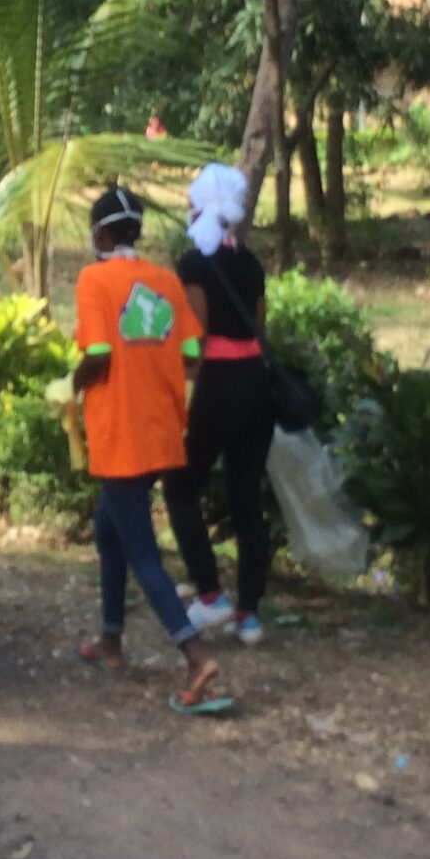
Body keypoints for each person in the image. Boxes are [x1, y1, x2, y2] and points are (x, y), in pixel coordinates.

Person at [65, 187, 229, 712]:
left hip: (120, 433)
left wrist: (70, 386)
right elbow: (189, 355)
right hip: (161, 428)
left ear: (103, 234)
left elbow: (96, 355)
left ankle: (196, 656)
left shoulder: (94, 279)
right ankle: (111, 639)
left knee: (140, 551)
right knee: (108, 529)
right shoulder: (165, 281)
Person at [165, 162, 277, 644]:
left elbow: (197, 335)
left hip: (218, 383)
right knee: (246, 498)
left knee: (180, 486)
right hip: (257, 384)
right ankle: (249, 614)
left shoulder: (193, 265)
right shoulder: (251, 265)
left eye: (191, 202)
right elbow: (259, 328)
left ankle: (210, 595)